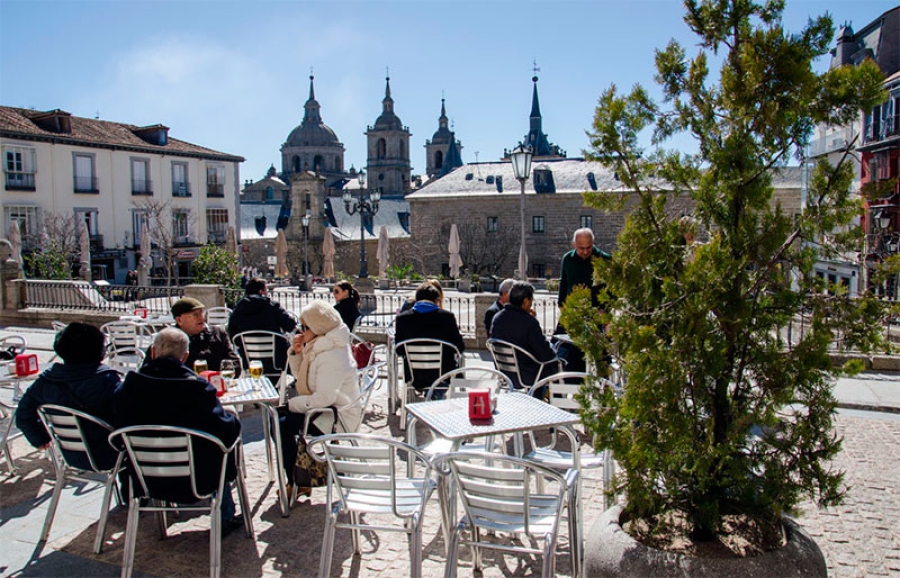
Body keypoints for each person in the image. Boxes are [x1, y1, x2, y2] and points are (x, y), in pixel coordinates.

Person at [115, 328, 244, 534]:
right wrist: (233, 419)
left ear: (153, 352)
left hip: (144, 477)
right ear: (185, 357)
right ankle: (225, 516)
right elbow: (225, 431)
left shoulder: (130, 386)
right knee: (221, 448)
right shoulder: (197, 389)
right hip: (196, 479)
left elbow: (117, 426)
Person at [278, 300, 359, 498]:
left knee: (282, 424)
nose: (301, 331)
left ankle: (297, 480)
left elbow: (323, 397)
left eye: (305, 327)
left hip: (336, 415)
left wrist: (292, 404)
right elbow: (303, 381)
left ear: (318, 327)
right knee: (281, 420)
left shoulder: (332, 354)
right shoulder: (318, 345)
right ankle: (300, 476)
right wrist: (296, 354)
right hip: (326, 408)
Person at [16, 322, 121, 470]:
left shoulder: (45, 382)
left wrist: (40, 439)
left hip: (69, 455)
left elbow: (22, 415)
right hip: (109, 455)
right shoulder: (106, 380)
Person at [395, 281, 465, 397]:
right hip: (443, 375)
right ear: (437, 300)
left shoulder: (403, 319)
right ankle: (436, 398)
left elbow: (399, 350)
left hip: (414, 375)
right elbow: (459, 347)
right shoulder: (447, 317)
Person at [556, 228, 612, 372]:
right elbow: (564, 285)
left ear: (593, 243)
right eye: (581, 248)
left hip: (597, 315)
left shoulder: (604, 259)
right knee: (562, 351)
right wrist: (562, 307)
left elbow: (612, 291)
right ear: (574, 244)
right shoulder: (568, 259)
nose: (586, 251)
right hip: (572, 314)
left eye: (589, 247)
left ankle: (604, 387)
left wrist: (604, 312)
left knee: (601, 357)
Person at [490, 281, 560, 390]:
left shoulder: (497, 318)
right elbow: (544, 354)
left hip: (505, 373)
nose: (532, 303)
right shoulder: (528, 322)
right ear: (526, 301)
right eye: (531, 300)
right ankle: (548, 401)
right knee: (556, 365)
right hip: (526, 375)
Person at [227, 278, 297, 373]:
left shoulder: (239, 309)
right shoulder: (272, 306)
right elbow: (290, 325)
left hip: (249, 359)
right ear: (261, 292)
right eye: (266, 290)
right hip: (276, 360)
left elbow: (232, 333)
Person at [163, 297, 242, 375]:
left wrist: (222, 374)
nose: (200, 317)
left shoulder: (216, 333)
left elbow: (234, 362)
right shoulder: (169, 340)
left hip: (217, 383)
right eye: (194, 315)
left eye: (201, 313)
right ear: (179, 320)